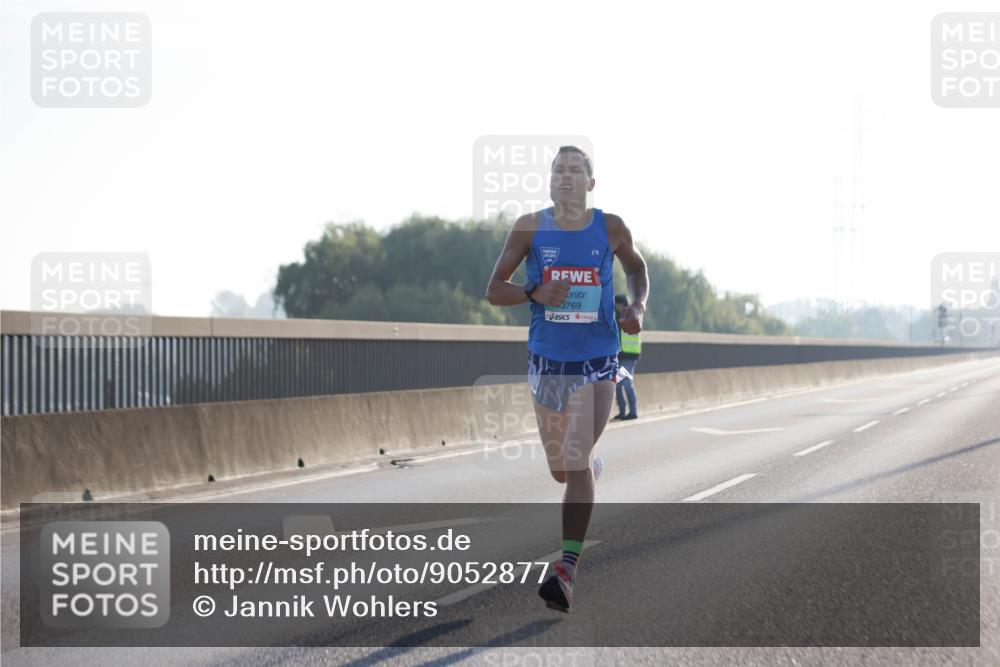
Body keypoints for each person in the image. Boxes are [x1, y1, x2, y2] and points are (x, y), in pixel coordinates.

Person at [485, 145, 649, 612]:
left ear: (590, 185)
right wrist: (534, 290)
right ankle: (589, 470)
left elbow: (638, 269)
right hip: (547, 364)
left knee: (574, 464)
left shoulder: (610, 227)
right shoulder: (530, 227)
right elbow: (494, 288)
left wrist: (637, 307)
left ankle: (566, 570)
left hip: (597, 360)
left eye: (575, 171)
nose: (565, 177)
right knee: (563, 470)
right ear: (550, 179)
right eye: (558, 170)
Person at [612, 295, 641, 421]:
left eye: (620, 304)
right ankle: (622, 412)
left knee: (627, 383)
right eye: (616, 304)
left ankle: (633, 412)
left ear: (624, 304)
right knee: (617, 385)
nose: (618, 306)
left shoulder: (631, 315)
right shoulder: (614, 317)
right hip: (618, 356)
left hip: (630, 355)